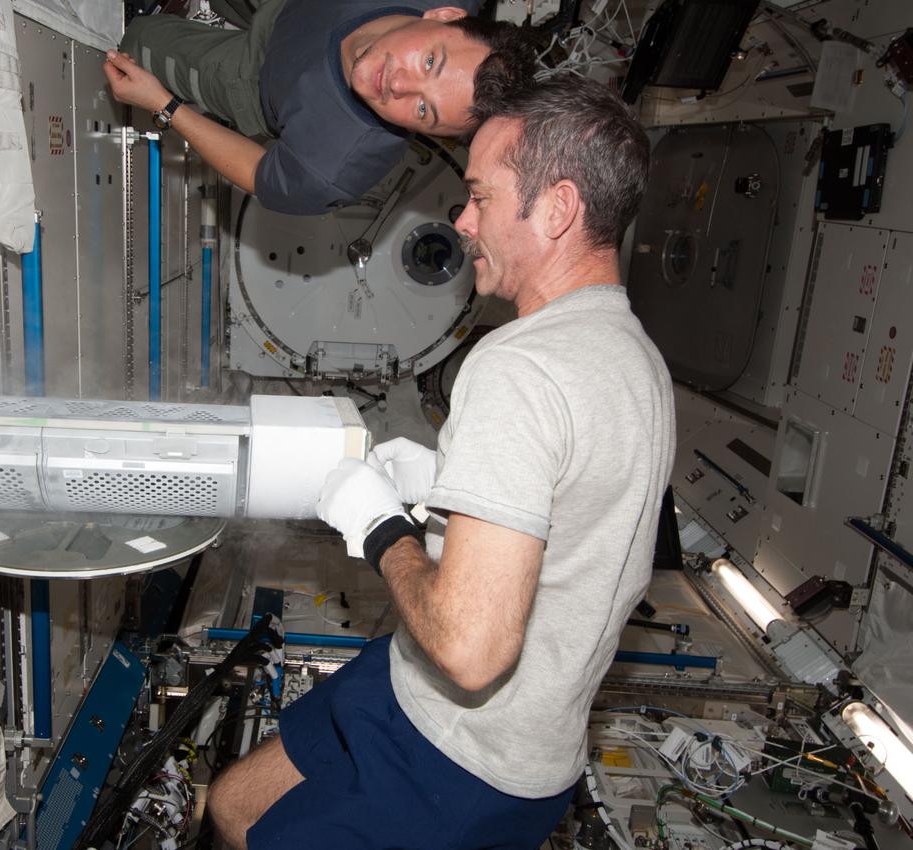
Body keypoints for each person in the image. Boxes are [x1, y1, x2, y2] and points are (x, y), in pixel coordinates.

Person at [205, 74, 676, 849]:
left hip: (457, 764)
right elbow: (571, 512)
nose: (461, 222)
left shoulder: (520, 367)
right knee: (233, 804)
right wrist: (440, 487)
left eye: (482, 197)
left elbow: (469, 648)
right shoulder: (629, 354)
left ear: (557, 209)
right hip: (418, 695)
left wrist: (381, 525)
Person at [102, 2, 535, 215]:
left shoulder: (337, 165)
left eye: (424, 111)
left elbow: (260, 172)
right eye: (429, 62)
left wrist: (163, 105)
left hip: (256, 78)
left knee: (136, 40)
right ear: (443, 13)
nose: (399, 86)